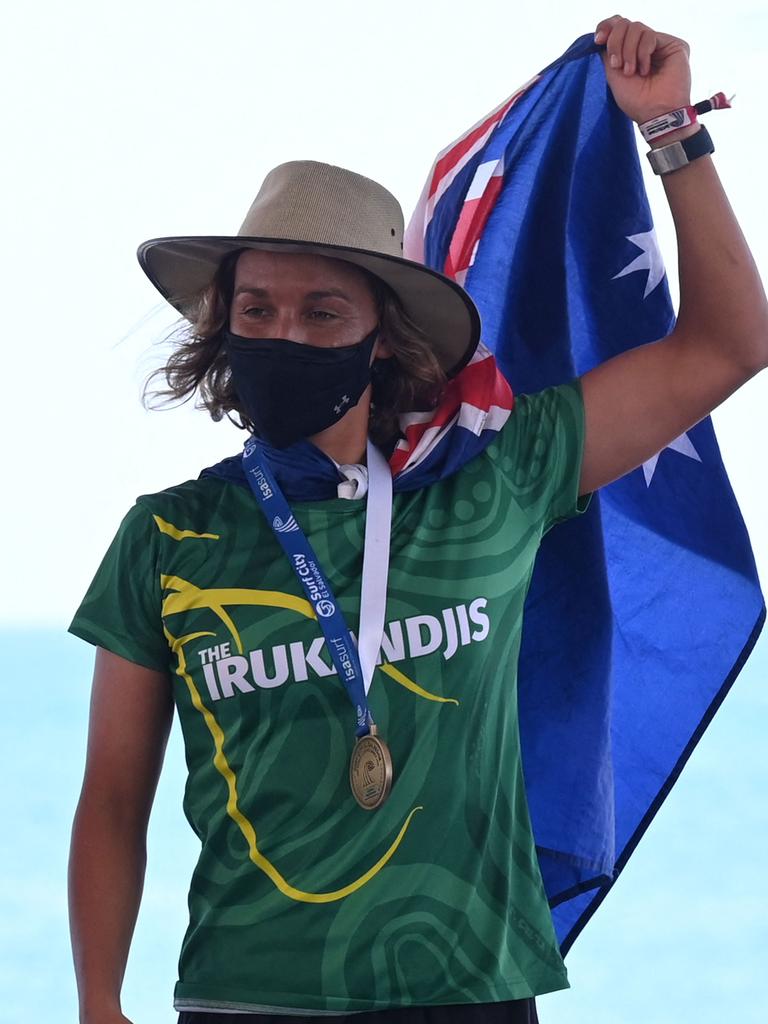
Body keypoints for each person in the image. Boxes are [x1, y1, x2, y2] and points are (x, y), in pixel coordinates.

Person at [68, 15, 768, 1024]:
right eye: (256, 308)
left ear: (383, 342)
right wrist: (99, 1002)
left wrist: (672, 135)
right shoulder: (168, 536)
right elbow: (110, 799)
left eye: (321, 313)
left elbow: (728, 343)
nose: (280, 332)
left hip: (470, 990)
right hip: (249, 996)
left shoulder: (500, 474)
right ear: (223, 326)